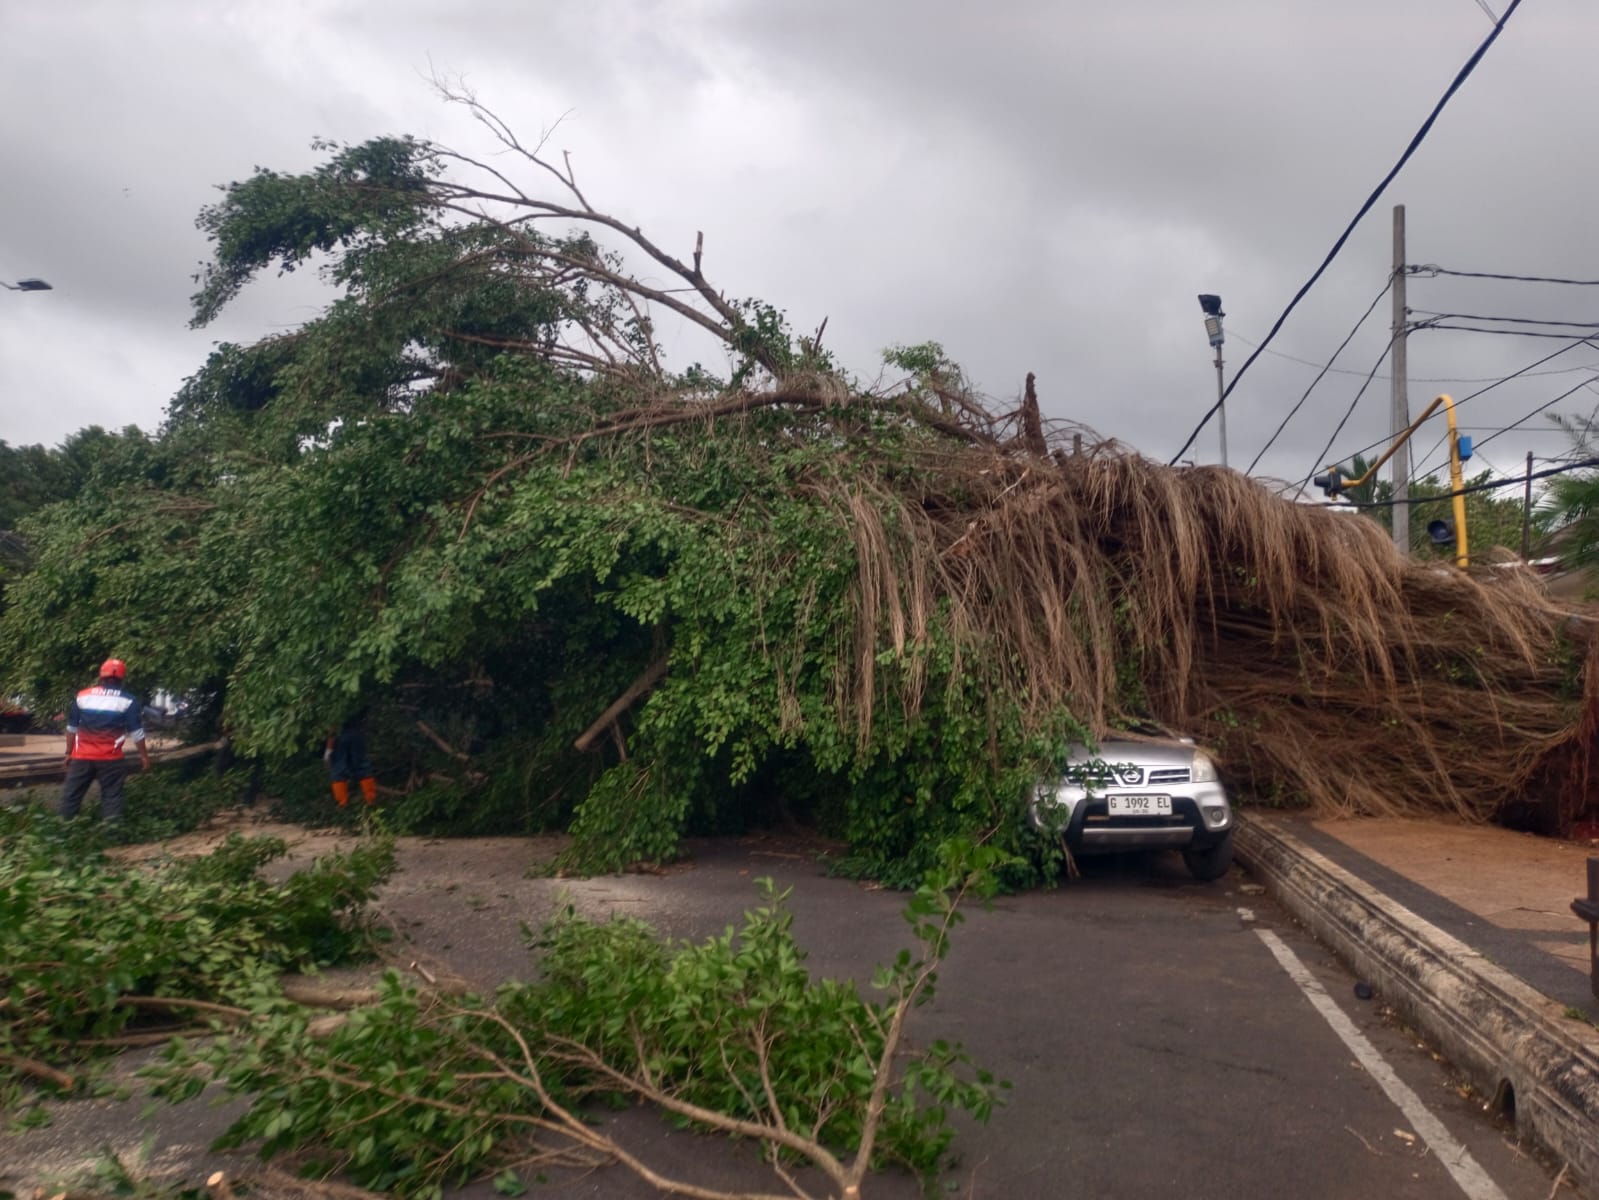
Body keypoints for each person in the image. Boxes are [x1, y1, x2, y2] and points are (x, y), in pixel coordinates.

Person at [60, 657, 151, 826]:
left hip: (81, 758)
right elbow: (136, 733)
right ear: (122, 679)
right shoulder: (128, 700)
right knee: (111, 797)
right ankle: (111, 834)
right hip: (111, 760)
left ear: (101, 677)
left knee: (71, 797)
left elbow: (71, 728)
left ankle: (63, 832)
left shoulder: (82, 696)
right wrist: (144, 756)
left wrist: (68, 753)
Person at [325, 711, 378, 807]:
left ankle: (342, 803)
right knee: (362, 766)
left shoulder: (334, 710)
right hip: (357, 735)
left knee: (339, 769)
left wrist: (328, 751)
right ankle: (371, 800)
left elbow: (332, 731)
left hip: (342, 737)